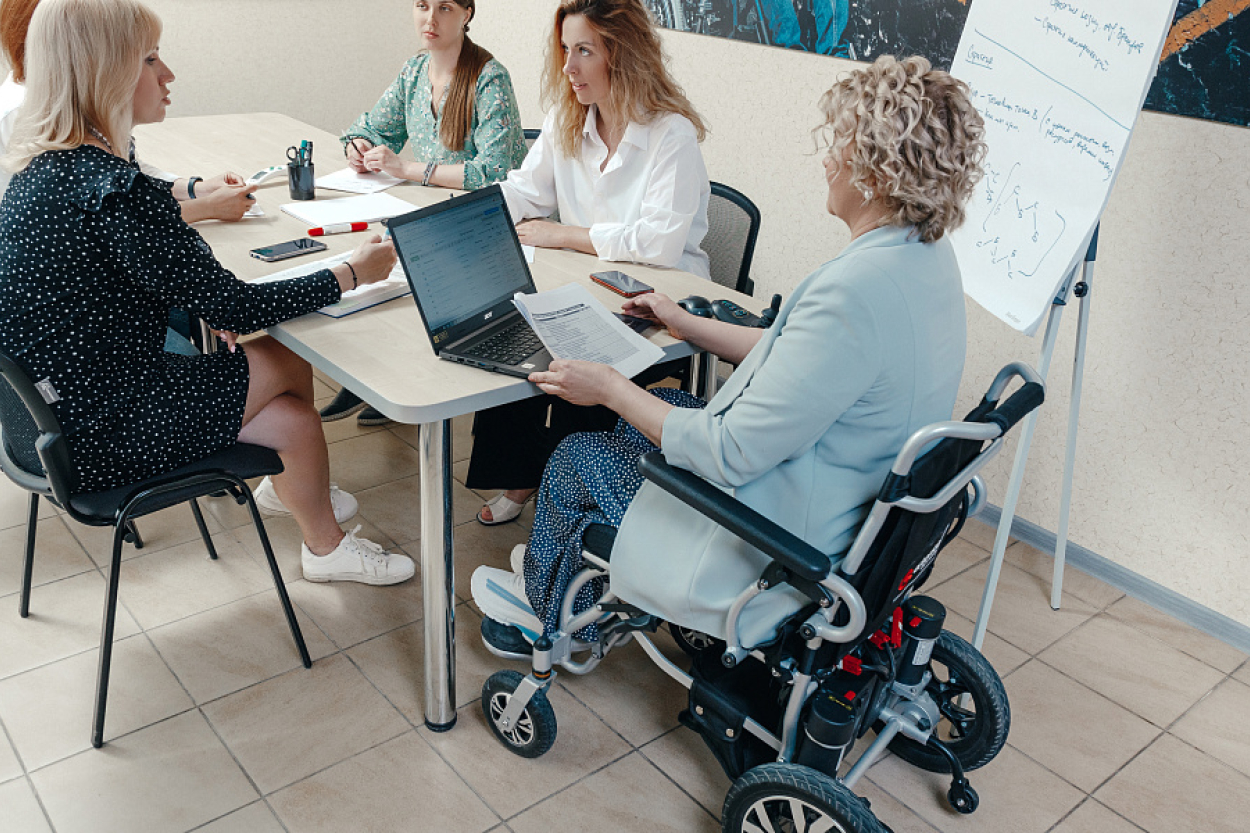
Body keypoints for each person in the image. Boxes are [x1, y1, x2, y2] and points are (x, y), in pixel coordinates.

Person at [470, 54, 987, 654]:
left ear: (874, 170)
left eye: (839, 144)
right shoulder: (923, 258)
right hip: (838, 490)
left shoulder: (854, 291)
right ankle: (562, 564)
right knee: (667, 401)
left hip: (769, 540)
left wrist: (611, 387)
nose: (827, 160)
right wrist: (685, 323)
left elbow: (731, 452)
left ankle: (552, 615)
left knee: (578, 454)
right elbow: (798, 355)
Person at [0, 0, 414, 586]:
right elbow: (238, 308)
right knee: (288, 355)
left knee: (293, 419)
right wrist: (353, 272)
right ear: (105, 72)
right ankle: (316, 532)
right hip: (104, 433)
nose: (168, 75)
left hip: (49, 420)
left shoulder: (44, 171)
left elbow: (116, 282)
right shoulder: (111, 191)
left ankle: (307, 513)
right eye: (150, 59)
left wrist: (203, 298)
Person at [466, 0, 711, 527]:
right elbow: (523, 193)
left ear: (620, 56)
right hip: (587, 293)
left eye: (584, 51)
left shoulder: (671, 134)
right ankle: (527, 473)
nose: (569, 68)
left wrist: (566, 234)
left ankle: (568, 498)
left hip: (659, 309)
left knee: (577, 363)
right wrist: (463, 219)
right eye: (564, 50)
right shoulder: (568, 119)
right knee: (514, 330)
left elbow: (659, 242)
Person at [319, 0, 527, 427]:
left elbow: (493, 172)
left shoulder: (490, 78)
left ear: (467, 13)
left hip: (487, 226)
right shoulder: (414, 71)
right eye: (422, 5)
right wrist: (356, 148)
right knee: (367, 260)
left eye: (445, 7)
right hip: (430, 212)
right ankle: (375, 382)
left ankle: (391, 387)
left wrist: (409, 168)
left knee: (400, 271)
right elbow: (373, 127)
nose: (430, 19)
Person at [0, 0, 256, 223]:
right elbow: (114, 211)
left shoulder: (79, 128)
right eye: (149, 59)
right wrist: (206, 207)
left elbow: (124, 176)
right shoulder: (27, 112)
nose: (168, 76)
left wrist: (193, 188)